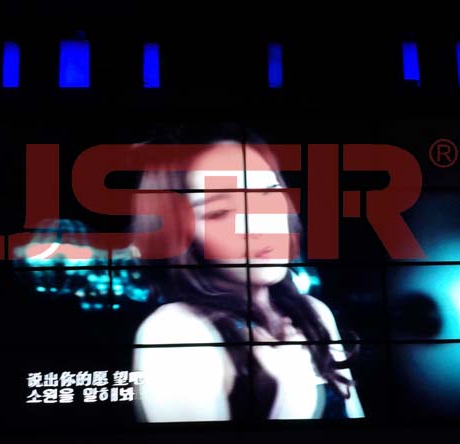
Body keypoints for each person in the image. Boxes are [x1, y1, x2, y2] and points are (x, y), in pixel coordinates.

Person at [128, 126, 364, 423]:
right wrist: (291, 393)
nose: (259, 224)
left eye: (267, 193)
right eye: (219, 212)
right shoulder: (175, 331)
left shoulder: (312, 313)